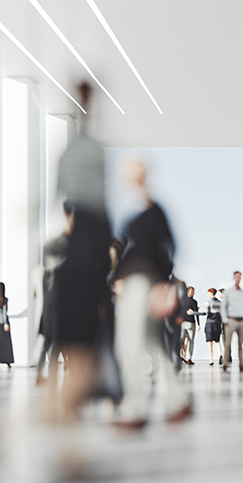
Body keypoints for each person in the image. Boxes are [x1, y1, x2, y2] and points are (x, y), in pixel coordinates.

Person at [111, 156, 190, 427]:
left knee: (129, 344)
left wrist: (162, 284)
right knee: (150, 343)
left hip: (143, 282)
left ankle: (136, 408)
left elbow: (168, 249)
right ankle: (178, 399)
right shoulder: (133, 210)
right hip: (132, 283)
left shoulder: (153, 212)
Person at [52, 82, 112, 416]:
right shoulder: (85, 150)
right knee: (82, 328)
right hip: (90, 241)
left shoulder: (76, 151)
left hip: (87, 240)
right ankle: (74, 397)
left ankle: (71, 399)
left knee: (79, 328)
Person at [35, 200, 72, 384]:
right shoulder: (54, 245)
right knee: (52, 339)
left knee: (58, 339)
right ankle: (43, 372)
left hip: (66, 299)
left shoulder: (76, 244)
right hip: (56, 299)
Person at [221, 271, 243, 373]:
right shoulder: (228, 292)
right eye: (236, 276)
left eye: (240, 277)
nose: (238, 278)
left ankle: (241, 366)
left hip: (241, 321)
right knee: (227, 344)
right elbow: (223, 306)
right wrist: (225, 320)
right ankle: (225, 365)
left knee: (240, 344)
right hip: (231, 320)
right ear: (233, 277)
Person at [203, 288, 223, 365]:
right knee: (217, 341)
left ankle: (211, 360)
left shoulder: (208, 302)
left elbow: (205, 312)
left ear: (211, 293)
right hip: (217, 324)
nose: (207, 294)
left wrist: (194, 312)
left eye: (208, 293)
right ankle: (220, 355)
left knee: (209, 342)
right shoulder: (220, 303)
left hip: (210, 324)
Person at [180, 285, 198, 365]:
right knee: (191, 341)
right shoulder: (194, 302)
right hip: (191, 322)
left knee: (181, 340)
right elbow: (196, 314)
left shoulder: (182, 300)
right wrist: (198, 324)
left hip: (183, 322)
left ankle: (180, 356)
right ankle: (189, 358)